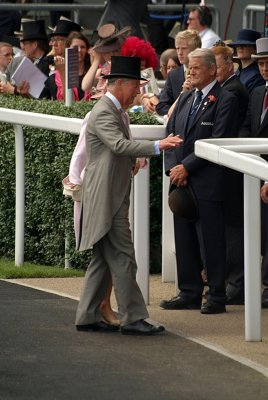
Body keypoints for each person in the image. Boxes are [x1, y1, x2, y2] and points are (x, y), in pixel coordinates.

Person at [75, 55, 182, 334]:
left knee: (103, 258)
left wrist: (133, 161)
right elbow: (120, 145)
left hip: (109, 196)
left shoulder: (112, 110)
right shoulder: (102, 111)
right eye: (136, 85)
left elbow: (115, 150)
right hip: (105, 198)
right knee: (123, 257)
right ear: (119, 83)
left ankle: (87, 315)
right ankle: (133, 318)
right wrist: (159, 145)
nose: (138, 91)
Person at [160, 48, 239, 314]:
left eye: (195, 68)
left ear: (212, 70)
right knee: (184, 240)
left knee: (212, 242)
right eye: (188, 68)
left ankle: (216, 295)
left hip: (208, 182)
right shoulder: (185, 98)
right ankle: (189, 291)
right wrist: (174, 169)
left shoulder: (225, 99)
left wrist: (187, 167)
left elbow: (218, 140)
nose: (190, 72)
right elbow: (171, 135)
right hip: (181, 182)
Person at [211, 43, 249, 305]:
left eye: (216, 66)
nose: (214, 71)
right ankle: (231, 283)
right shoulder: (226, 88)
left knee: (235, 231)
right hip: (228, 168)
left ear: (228, 65)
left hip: (233, 170)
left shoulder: (232, 91)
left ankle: (236, 285)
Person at [239, 37, 268, 309]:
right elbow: (248, 128)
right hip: (254, 172)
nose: (264, 68)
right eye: (260, 63)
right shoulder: (258, 92)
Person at [155, 29, 201, 116]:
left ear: (195, 50)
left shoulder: (205, 73)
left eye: (183, 48)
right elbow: (161, 107)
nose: (179, 53)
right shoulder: (173, 75)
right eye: (177, 48)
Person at [1, 20, 50, 97]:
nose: (22, 47)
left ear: (34, 45)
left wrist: (13, 90)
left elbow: (43, 95)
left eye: (24, 43)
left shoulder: (48, 63)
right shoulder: (36, 61)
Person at [81, 23, 130, 98]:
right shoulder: (101, 72)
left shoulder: (127, 69)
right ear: (102, 54)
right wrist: (96, 61)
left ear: (120, 50)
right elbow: (85, 87)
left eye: (115, 50)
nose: (112, 54)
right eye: (107, 52)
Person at [41, 31, 91, 101]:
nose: (79, 50)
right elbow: (70, 101)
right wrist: (62, 72)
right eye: (75, 47)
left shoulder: (94, 69)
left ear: (87, 50)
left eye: (82, 47)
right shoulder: (57, 75)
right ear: (67, 49)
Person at [229, 29, 265, 94]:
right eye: (237, 45)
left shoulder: (257, 75)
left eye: (244, 45)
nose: (239, 47)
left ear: (255, 49)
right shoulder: (238, 71)